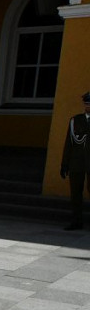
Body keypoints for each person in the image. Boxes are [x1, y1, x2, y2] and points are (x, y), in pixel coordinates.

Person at [60, 91, 90, 230]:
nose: (88, 106)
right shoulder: (76, 120)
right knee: (75, 192)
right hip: (76, 162)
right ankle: (76, 221)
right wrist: (64, 163)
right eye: (86, 104)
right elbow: (69, 143)